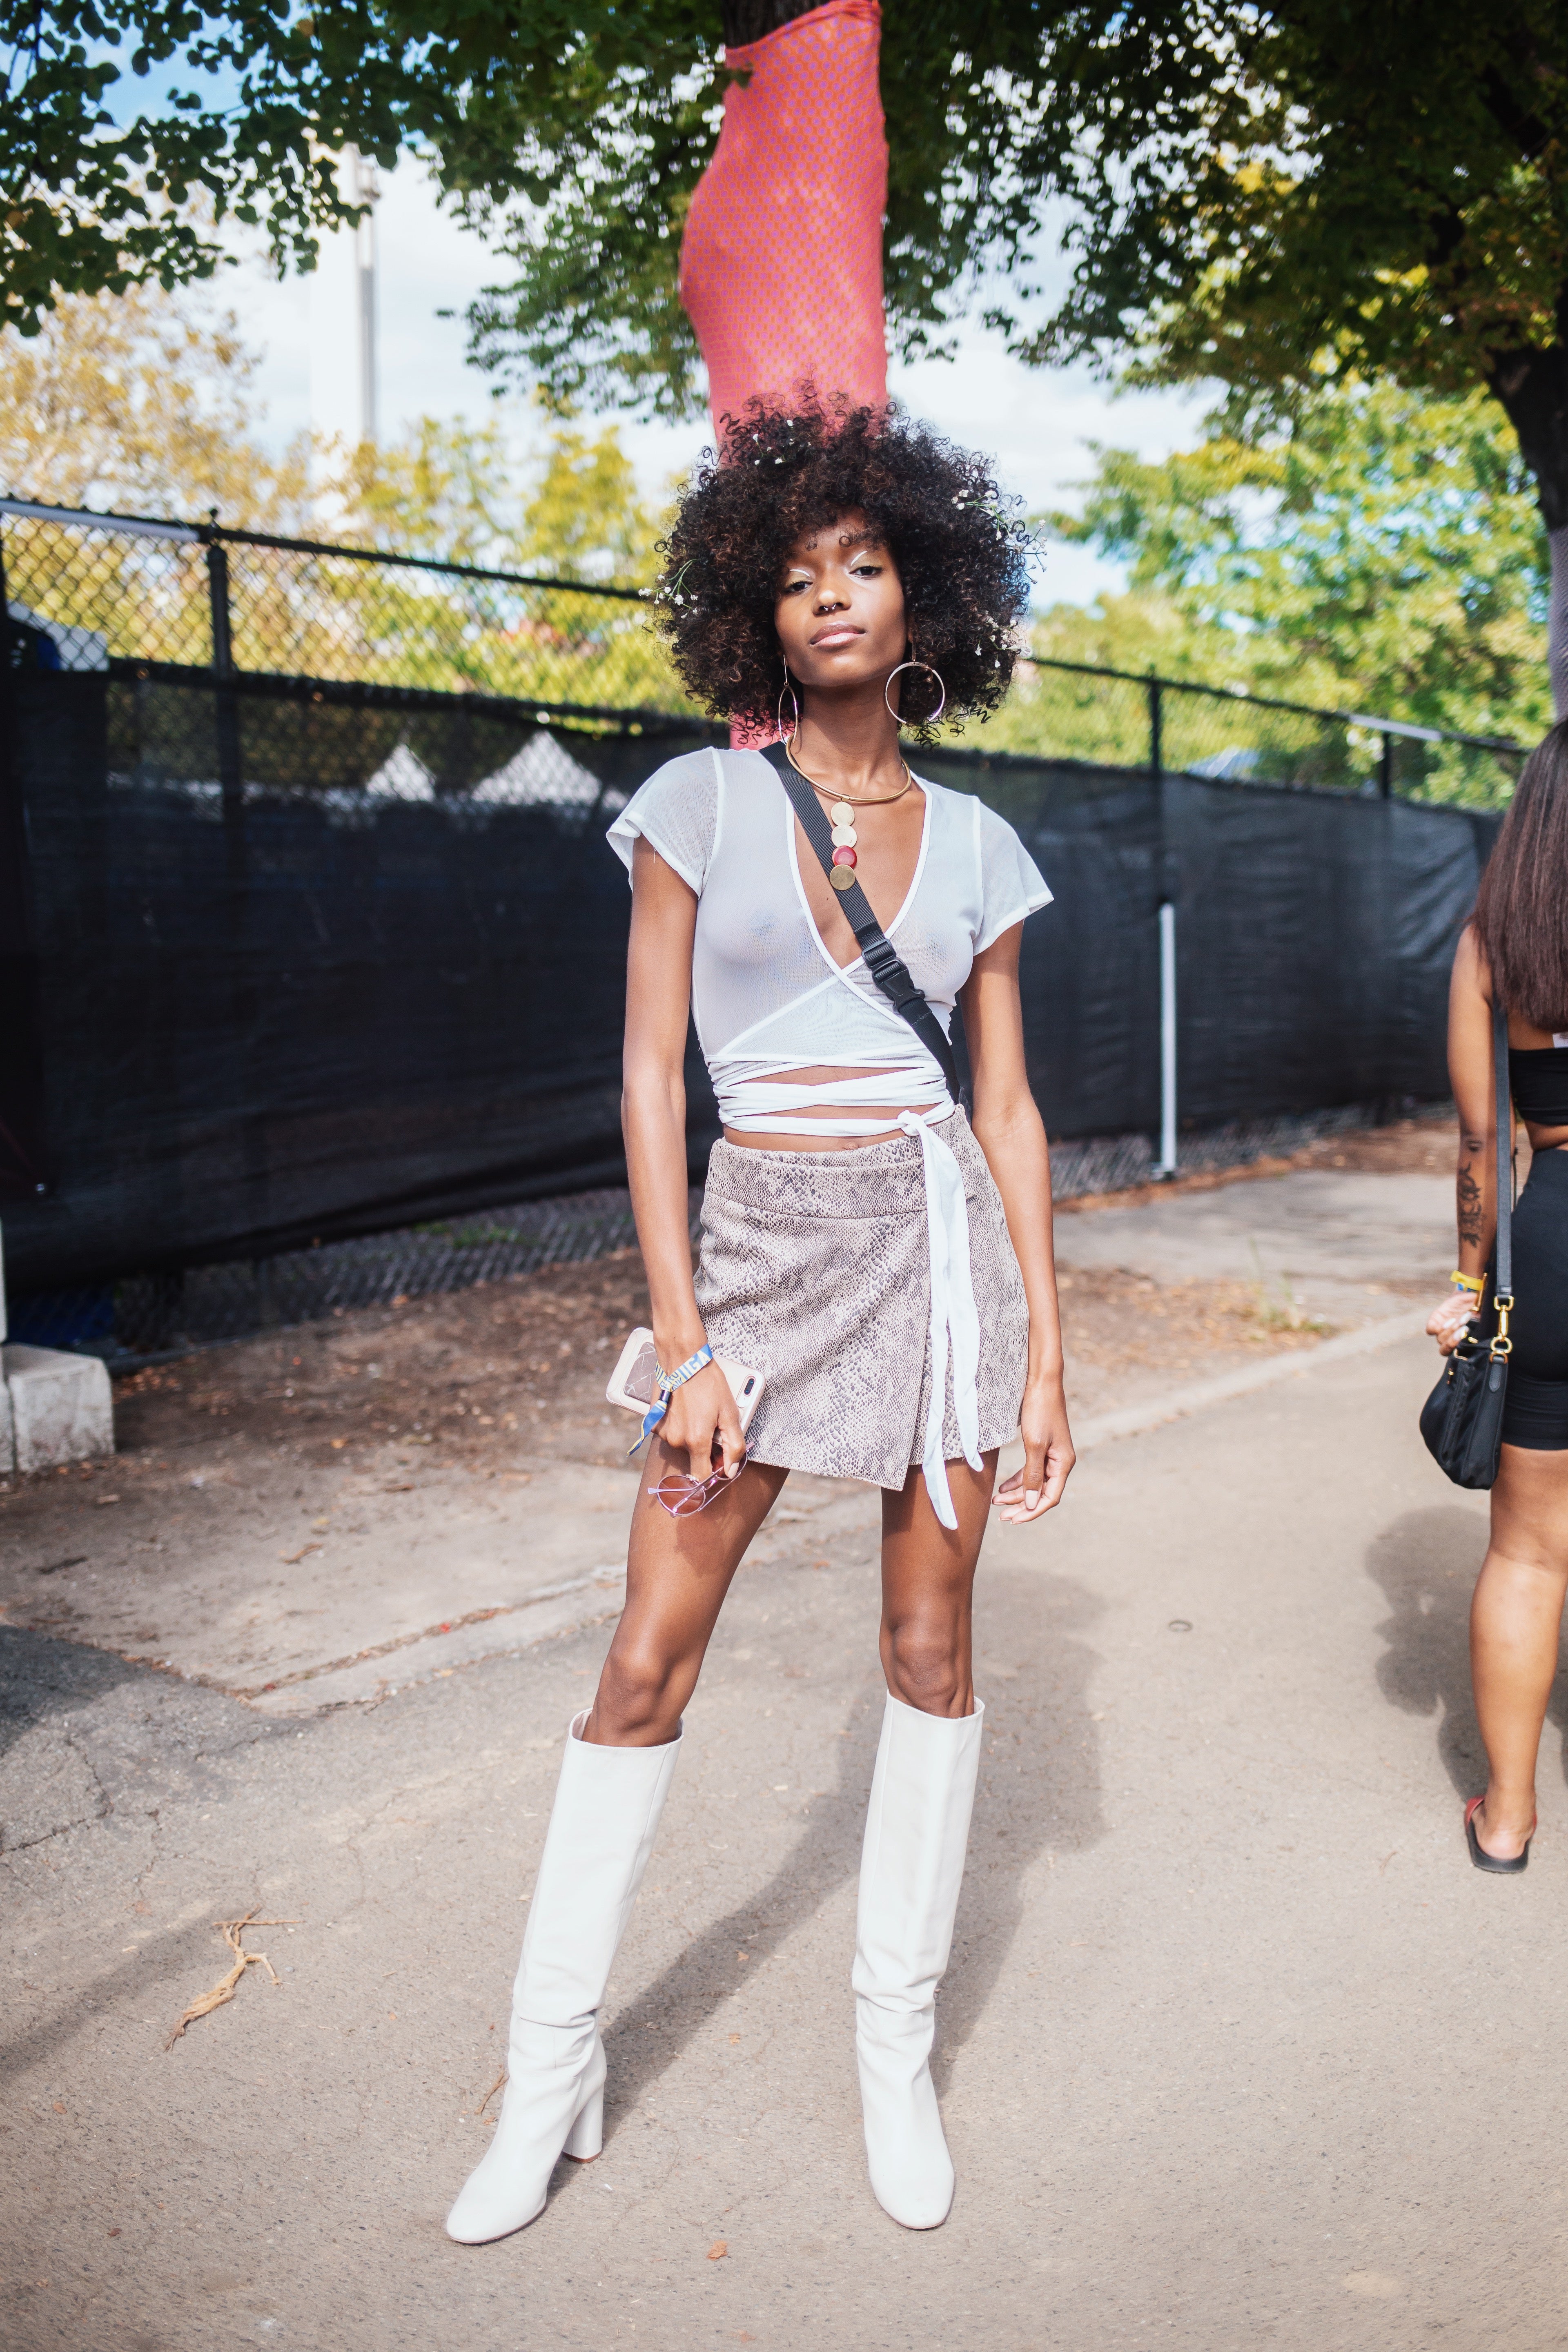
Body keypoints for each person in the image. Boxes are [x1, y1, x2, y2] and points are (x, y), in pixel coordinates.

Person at [445, 402, 1075, 2243]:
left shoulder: (981, 844)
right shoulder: (699, 804)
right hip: (759, 1257)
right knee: (646, 1655)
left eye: (863, 564)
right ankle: (546, 2071)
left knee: (930, 1648)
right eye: (796, 578)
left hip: (939, 1249)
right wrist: (689, 1332)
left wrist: (1045, 1353)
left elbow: (1014, 1113)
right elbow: (653, 1081)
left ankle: (894, 2056)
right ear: (758, 617)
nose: (832, 599)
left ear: (924, 591)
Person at [1427, 718, 1568, 1872]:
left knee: (1529, 1552)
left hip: (1557, 1245)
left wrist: (1474, 1285)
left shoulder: (1496, 943)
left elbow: (1483, 1146)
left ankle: (1509, 1817)